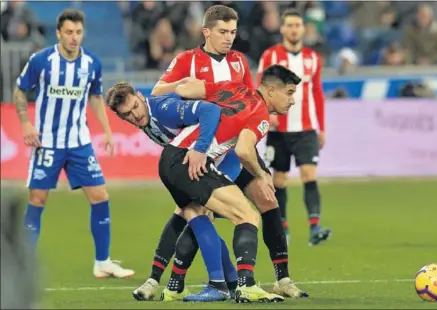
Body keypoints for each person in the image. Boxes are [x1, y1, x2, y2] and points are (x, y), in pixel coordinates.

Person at [133, 4, 306, 301]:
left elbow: (252, 102)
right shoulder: (188, 59)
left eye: (233, 32)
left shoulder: (239, 63)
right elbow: (161, 92)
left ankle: (282, 278)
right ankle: (169, 280)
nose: (229, 38)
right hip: (201, 151)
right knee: (201, 212)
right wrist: (192, 106)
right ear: (206, 32)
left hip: (231, 147)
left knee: (265, 197)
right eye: (223, 32)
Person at [107, 64, 301, 303]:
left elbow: (193, 89)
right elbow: (243, 149)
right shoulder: (260, 113)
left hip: (173, 161)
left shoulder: (233, 88)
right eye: (290, 93)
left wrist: (172, 87)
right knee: (247, 216)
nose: (292, 100)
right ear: (271, 91)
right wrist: (262, 174)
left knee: (195, 215)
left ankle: (179, 285)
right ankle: (242, 285)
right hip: (191, 160)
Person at [12, 9, 133, 278]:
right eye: (68, 32)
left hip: (79, 143)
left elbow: (96, 97)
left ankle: (102, 261)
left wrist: (108, 131)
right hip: (48, 143)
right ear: (58, 33)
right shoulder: (42, 61)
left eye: (78, 32)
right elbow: (20, 89)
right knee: (38, 198)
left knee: (100, 196)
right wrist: (25, 123)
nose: (74, 37)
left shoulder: (92, 63)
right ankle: (23, 265)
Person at [105, 83, 239, 302]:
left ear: (140, 96)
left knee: (193, 213)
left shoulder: (163, 108)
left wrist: (199, 149)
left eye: (135, 106)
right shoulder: (147, 123)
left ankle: (216, 285)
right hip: (205, 163)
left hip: (224, 159)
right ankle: (229, 283)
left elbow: (211, 110)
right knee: (191, 214)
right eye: (127, 114)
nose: (135, 115)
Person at [257, 9, 331, 245]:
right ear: (282, 29)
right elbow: (260, 88)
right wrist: (268, 114)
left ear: (303, 28)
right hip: (279, 131)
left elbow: (317, 92)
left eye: (298, 25)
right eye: (289, 25)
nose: (294, 29)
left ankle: (315, 227)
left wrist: (322, 127)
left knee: (309, 174)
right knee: (279, 180)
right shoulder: (270, 56)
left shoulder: (313, 58)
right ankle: (284, 228)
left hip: (306, 129)